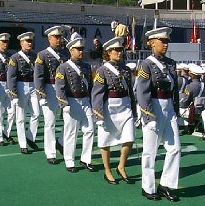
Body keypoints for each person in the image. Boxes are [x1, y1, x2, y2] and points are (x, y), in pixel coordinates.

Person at [137, 27, 180, 202]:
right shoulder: (146, 64)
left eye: (167, 41)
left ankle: (166, 184)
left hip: (168, 106)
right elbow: (142, 92)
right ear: (151, 43)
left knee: (175, 148)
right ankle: (147, 187)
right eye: (162, 41)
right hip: (153, 106)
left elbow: (174, 89)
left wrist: (175, 110)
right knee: (150, 151)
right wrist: (148, 115)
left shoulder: (171, 63)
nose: (165, 44)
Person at [91, 37, 135, 185]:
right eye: (116, 50)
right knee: (105, 140)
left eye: (120, 50)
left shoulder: (126, 70)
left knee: (129, 138)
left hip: (125, 106)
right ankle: (107, 170)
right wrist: (98, 114)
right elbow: (97, 93)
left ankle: (121, 166)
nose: (119, 52)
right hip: (109, 107)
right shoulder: (102, 70)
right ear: (108, 52)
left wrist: (134, 111)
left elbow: (130, 92)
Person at [55, 38, 96, 173]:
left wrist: (91, 101)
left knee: (89, 129)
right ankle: (69, 160)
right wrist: (63, 103)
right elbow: (60, 87)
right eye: (78, 49)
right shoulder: (63, 67)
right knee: (71, 132)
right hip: (71, 101)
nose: (81, 52)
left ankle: (86, 158)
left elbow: (90, 85)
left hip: (85, 100)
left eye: (82, 49)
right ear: (71, 50)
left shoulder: (86, 66)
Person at [34, 26, 69, 164]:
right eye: (56, 37)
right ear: (49, 38)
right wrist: (41, 95)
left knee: (69, 120)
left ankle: (60, 142)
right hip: (49, 88)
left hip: (63, 89)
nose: (59, 39)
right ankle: (50, 152)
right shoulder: (42, 55)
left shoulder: (66, 53)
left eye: (60, 37)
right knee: (50, 122)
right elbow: (38, 76)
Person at [6, 31, 40, 154]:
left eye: (31, 41)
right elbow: (11, 77)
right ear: (21, 43)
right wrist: (13, 93)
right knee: (20, 117)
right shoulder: (15, 57)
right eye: (27, 41)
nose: (30, 43)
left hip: (33, 85)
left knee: (36, 113)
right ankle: (22, 144)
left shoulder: (35, 56)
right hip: (21, 85)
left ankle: (30, 137)